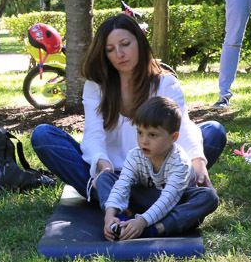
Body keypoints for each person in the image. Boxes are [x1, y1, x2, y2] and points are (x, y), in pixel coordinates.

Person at [31, 14, 227, 201]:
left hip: (157, 175)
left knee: (213, 131)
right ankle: (126, 196)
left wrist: (198, 162)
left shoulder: (165, 83)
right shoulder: (96, 86)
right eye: (110, 49)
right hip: (111, 175)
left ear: (139, 43)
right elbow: (93, 135)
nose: (119, 54)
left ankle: (130, 199)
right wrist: (103, 165)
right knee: (43, 136)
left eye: (125, 44)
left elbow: (182, 127)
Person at [98, 96, 219, 241]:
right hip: (146, 199)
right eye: (140, 132)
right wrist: (109, 215)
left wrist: (142, 222)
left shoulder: (180, 163)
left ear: (173, 137)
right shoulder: (135, 155)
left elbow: (168, 199)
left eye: (153, 135)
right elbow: (122, 185)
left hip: (173, 204)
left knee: (208, 197)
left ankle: (154, 230)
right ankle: (120, 223)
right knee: (105, 178)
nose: (144, 140)